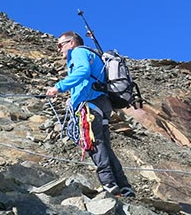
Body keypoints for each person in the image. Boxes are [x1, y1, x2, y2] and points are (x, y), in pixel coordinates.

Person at [45, 31, 135, 197]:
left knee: (93, 142)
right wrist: (72, 99)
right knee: (104, 145)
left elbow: (83, 72)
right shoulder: (91, 54)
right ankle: (123, 186)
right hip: (102, 104)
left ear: (71, 43)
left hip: (91, 104)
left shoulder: (78, 52)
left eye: (60, 45)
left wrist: (59, 87)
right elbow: (88, 79)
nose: (59, 50)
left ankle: (109, 184)